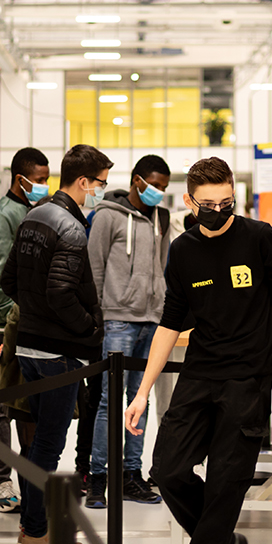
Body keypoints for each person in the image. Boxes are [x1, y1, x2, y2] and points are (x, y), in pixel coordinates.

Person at [125, 157, 272, 544]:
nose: (219, 211)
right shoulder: (182, 251)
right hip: (200, 375)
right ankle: (220, 540)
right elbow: (170, 323)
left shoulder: (259, 238)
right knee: (166, 469)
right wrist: (143, 392)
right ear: (189, 202)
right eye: (208, 204)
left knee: (227, 483)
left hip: (249, 379)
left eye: (226, 203)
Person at [1, 143, 111, 544]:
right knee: (48, 444)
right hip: (59, 354)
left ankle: (33, 525)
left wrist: (36, 314)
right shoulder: (69, 226)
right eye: (99, 183)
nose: (100, 191)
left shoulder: (34, 217)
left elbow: (10, 281)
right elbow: (63, 293)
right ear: (82, 182)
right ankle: (35, 531)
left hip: (28, 347)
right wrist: (90, 331)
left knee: (38, 444)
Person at [85, 155, 172, 510]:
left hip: (152, 319)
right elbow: (94, 266)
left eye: (164, 188)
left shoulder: (162, 218)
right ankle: (98, 477)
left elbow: (163, 266)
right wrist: (102, 314)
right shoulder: (107, 215)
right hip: (117, 319)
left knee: (141, 399)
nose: (159, 193)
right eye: (155, 185)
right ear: (137, 181)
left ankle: (131, 475)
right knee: (110, 401)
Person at [0, 146, 50, 513]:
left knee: (30, 407)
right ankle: (1, 481)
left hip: (36, 328)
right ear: (20, 179)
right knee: (4, 404)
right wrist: (12, 325)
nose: (44, 186)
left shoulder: (37, 212)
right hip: (11, 329)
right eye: (39, 181)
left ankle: (30, 477)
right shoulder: (3, 217)